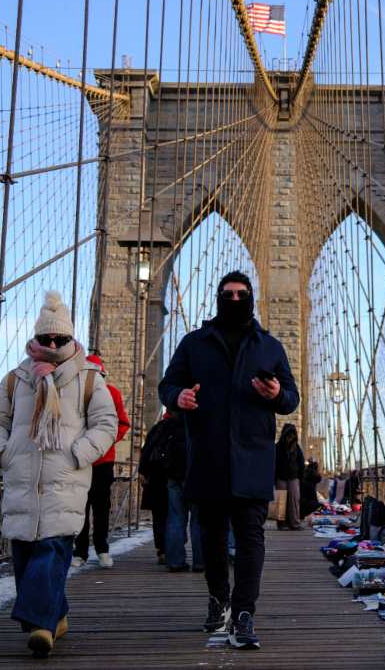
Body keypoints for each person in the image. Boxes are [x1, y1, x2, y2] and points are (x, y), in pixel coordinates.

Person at [159, 271, 300, 650]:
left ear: (252, 297)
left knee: (252, 539)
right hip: (208, 456)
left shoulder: (269, 346)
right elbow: (167, 384)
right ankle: (218, 599)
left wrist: (274, 393)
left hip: (253, 457)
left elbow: (291, 398)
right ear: (218, 296)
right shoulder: (194, 343)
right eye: (228, 294)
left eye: (242, 294)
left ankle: (244, 613)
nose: (235, 299)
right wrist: (178, 398)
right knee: (213, 539)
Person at [0, 290, 117, 657]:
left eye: (60, 338)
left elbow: (107, 423)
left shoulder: (89, 378)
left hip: (65, 482)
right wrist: (0, 452)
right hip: (22, 483)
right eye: (47, 339)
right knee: (26, 559)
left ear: (71, 338)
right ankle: (55, 616)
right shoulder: (16, 379)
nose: (54, 344)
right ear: (36, 339)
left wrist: (79, 453)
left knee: (51, 553)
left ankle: (42, 627)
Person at [71, 354, 131, 568]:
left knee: (100, 507)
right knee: (80, 507)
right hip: (79, 459)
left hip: (102, 461)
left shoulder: (111, 392)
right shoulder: (74, 392)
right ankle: (80, 552)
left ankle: (102, 549)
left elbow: (123, 423)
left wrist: (105, 441)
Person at [162, 414, 204, 572]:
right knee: (199, 519)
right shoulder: (203, 420)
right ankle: (200, 561)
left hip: (174, 473)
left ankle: (175, 561)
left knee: (175, 517)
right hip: (197, 473)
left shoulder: (172, 423)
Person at [138, 413, 180, 565]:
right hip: (176, 475)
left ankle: (162, 549)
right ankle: (178, 551)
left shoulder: (158, 429)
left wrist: (143, 472)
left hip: (156, 477)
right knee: (177, 514)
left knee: (160, 515)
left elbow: (146, 451)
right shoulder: (185, 426)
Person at [274, 423, 305, 530]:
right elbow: (274, 463)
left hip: (293, 477)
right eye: (288, 435)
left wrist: (301, 478)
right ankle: (281, 524)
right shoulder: (277, 447)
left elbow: (301, 464)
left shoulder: (296, 448)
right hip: (281, 477)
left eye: (292, 435)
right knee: (281, 501)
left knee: (294, 500)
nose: (290, 437)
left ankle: (295, 523)